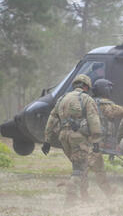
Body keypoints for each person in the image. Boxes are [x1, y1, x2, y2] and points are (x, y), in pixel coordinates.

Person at [42, 74, 102, 207]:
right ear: (86, 86)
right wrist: (96, 140)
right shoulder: (86, 98)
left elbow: (51, 119)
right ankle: (70, 200)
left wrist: (47, 140)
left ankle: (84, 195)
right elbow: (93, 119)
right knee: (79, 168)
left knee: (81, 165)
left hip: (64, 137)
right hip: (78, 138)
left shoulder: (62, 99)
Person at [89, 79, 123, 199]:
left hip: (91, 139)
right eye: (109, 88)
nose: (110, 90)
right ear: (104, 89)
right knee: (85, 167)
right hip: (95, 141)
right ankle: (74, 191)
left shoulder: (91, 102)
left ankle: (108, 192)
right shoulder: (104, 104)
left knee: (99, 168)